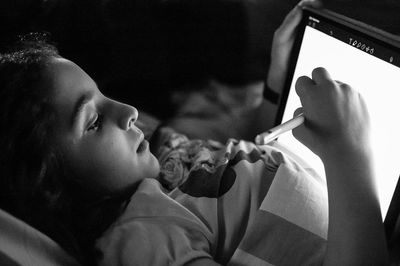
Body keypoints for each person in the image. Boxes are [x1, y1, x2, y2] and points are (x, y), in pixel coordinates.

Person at [0, 1, 388, 266]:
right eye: (94, 120)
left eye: (105, 96)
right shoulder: (142, 241)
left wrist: (274, 85)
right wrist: (350, 158)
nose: (129, 112)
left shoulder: (147, 172)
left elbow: (240, 170)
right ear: (48, 186)